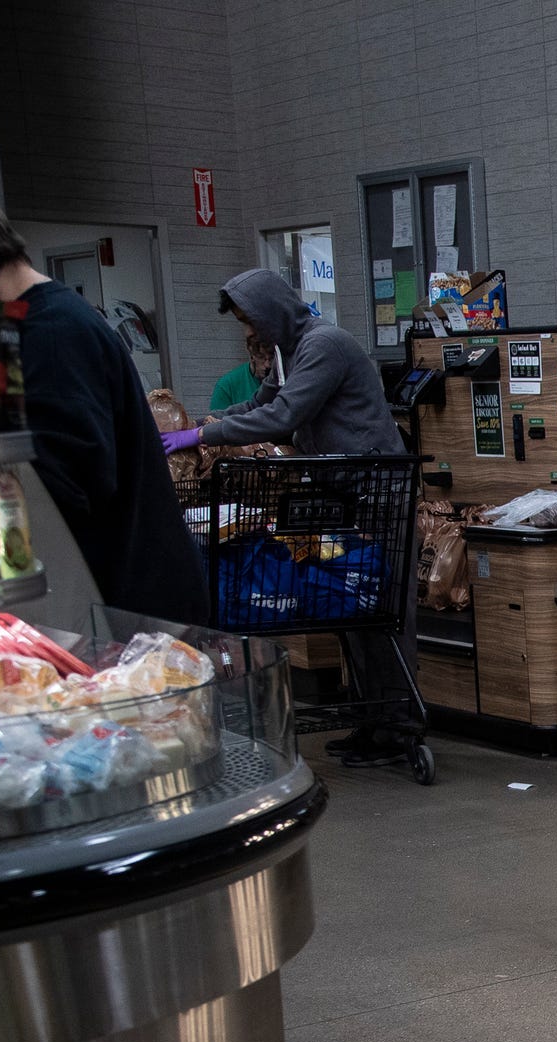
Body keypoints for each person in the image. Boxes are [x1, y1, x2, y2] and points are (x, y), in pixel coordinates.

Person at [174, 267, 418, 764]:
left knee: (382, 613)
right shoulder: (291, 350)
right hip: (343, 493)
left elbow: (284, 416)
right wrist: (197, 422)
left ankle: (399, 730)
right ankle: (372, 721)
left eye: (250, 319)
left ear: (271, 311)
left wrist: (201, 436)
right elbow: (258, 403)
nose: (249, 331)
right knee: (353, 609)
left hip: (377, 491)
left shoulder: (324, 344)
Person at [0, 192, 208, 623]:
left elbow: (61, 491)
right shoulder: (29, 329)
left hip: (130, 614)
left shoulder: (52, 336)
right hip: (111, 604)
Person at [206, 328, 272, 415]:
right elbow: (214, 421)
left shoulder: (284, 379)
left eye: (271, 358)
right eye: (261, 357)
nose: (267, 365)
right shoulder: (227, 385)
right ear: (251, 353)